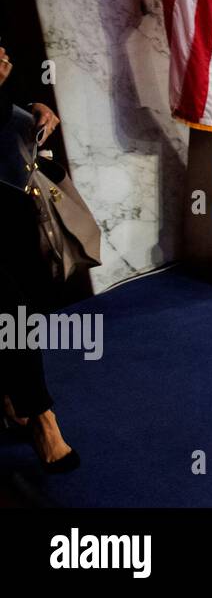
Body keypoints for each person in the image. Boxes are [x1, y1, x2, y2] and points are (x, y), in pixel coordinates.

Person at [0, 42, 80, 472]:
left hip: (7, 177)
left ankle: (13, 396)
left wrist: (35, 103)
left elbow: (11, 74)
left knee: (23, 289)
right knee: (8, 300)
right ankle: (43, 419)